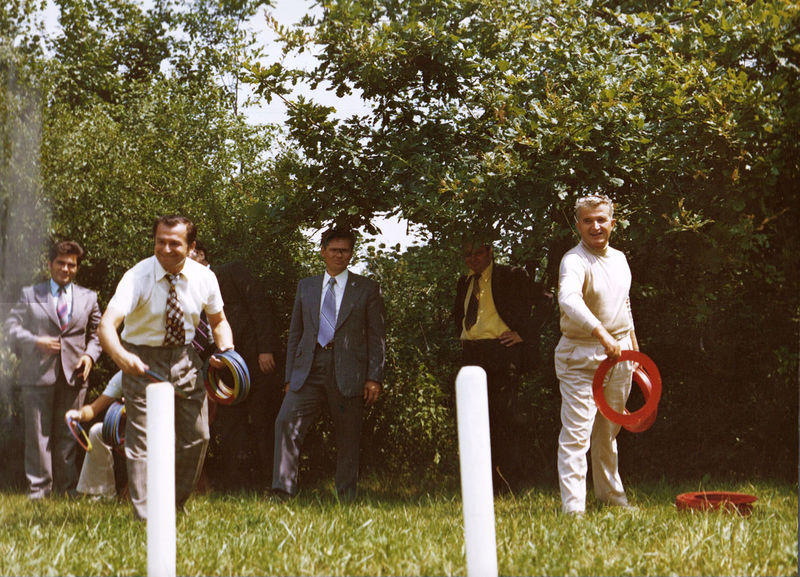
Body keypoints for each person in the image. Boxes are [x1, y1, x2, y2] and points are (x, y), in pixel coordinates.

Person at [97, 215, 234, 520]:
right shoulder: (137, 276)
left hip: (186, 358)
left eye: (175, 243)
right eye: (161, 241)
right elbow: (107, 326)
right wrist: (122, 357)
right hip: (141, 358)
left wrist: (227, 352)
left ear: (191, 246)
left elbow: (219, 322)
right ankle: (146, 518)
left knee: (199, 436)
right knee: (142, 441)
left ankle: (174, 506)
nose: (166, 249)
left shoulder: (204, 278)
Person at [273, 227, 385, 501]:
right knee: (286, 422)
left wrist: (374, 377)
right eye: (334, 250)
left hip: (348, 371)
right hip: (307, 370)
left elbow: (376, 336)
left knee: (348, 436)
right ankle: (282, 491)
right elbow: (295, 335)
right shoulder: (306, 286)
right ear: (322, 251)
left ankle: (345, 496)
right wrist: (289, 377)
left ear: (351, 254)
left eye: (344, 250)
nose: (339, 255)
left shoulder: (367, 289)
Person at [555, 193, 638, 514]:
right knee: (577, 435)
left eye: (601, 219)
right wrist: (600, 333)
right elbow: (568, 300)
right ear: (578, 225)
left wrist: (635, 351)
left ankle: (612, 499)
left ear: (612, 223)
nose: (595, 226)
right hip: (580, 357)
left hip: (620, 356)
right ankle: (573, 510)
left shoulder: (619, 258)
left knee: (608, 433)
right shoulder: (573, 261)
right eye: (587, 220)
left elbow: (624, 304)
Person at [4, 241, 102, 499]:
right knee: (38, 436)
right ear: (49, 265)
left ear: (77, 268)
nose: (66, 269)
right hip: (37, 374)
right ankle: (39, 492)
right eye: (61, 263)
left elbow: (99, 334)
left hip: (75, 375)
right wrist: (35, 341)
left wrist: (90, 357)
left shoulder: (89, 297)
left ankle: (67, 489)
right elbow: (11, 328)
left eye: (72, 264)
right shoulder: (30, 294)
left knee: (69, 433)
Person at [189, 243, 282, 490]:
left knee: (262, 420)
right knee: (229, 426)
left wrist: (266, 349)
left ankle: (273, 485)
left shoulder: (231, 272)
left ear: (200, 254)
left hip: (254, 361)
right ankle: (236, 486)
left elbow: (259, 306)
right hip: (220, 368)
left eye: (189, 255)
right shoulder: (187, 289)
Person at [453, 239, 535, 492]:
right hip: (470, 354)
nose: (473, 259)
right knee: (473, 420)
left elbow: (545, 299)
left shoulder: (510, 275)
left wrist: (523, 333)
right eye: (467, 254)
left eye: (477, 252)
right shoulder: (465, 282)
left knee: (504, 420)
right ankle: (480, 484)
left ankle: (509, 484)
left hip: (500, 351)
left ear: (489, 251)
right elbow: (460, 316)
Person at [65, 371, 123, 499]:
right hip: (130, 432)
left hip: (156, 434)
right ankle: (102, 493)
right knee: (97, 431)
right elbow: (93, 409)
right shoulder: (123, 376)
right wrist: (78, 414)